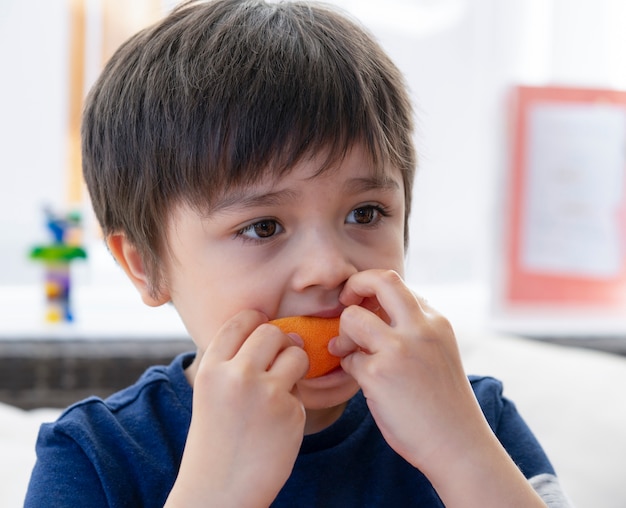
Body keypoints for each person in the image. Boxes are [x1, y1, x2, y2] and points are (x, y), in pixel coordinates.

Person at [26, 1, 571, 506]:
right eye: (263, 226)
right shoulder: (92, 456)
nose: (330, 267)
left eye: (365, 213)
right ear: (145, 265)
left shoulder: (475, 417)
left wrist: (461, 452)